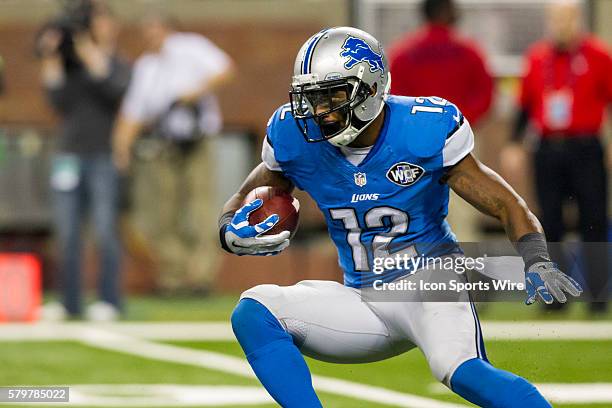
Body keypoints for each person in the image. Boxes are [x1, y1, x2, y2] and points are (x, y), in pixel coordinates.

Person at [219, 27, 582, 407]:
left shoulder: (423, 128)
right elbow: (245, 194)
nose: (319, 111)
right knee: (253, 312)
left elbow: (507, 204)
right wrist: (229, 229)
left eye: (332, 96)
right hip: (361, 296)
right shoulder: (294, 138)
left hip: (431, 286)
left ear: (370, 90)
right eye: (312, 98)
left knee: (461, 370)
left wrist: (537, 259)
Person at [501, 0, 611, 313]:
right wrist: (513, 145)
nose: (561, 25)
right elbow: (524, 107)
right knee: (549, 222)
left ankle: (598, 297)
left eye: (566, 18)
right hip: (548, 148)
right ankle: (554, 297)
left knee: (593, 219)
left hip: (586, 147)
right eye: (555, 19)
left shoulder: (599, 56)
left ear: (578, 20)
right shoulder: (537, 58)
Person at [113, 12, 234, 293]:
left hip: (197, 141)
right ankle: (174, 276)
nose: (151, 35)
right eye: (146, 29)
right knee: (162, 213)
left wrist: (192, 93)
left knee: (201, 209)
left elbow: (225, 70)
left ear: (167, 28)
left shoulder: (190, 47)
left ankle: (201, 276)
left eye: (155, 28)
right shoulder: (145, 66)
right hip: (163, 145)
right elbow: (133, 113)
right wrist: (121, 146)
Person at [39, 1, 130, 321]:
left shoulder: (118, 63)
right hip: (68, 156)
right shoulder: (71, 66)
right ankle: (70, 303)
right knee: (66, 232)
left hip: (102, 155)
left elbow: (113, 90)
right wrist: (52, 55)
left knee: (105, 230)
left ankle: (110, 300)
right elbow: (55, 99)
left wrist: (88, 47)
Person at [388, 0, 493, 127]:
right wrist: (461, 120)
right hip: (460, 131)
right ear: (447, 12)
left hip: (415, 132)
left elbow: (394, 96)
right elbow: (484, 93)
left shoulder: (403, 54)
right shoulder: (470, 53)